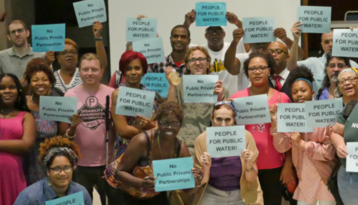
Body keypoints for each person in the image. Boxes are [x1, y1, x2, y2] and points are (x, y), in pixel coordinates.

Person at [230, 52, 291, 205]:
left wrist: (288, 165)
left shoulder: (282, 98)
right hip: (244, 166)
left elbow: (291, 137)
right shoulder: (236, 99)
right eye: (252, 69)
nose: (257, 72)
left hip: (274, 166)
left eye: (262, 68)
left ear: (269, 70)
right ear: (247, 72)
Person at [270, 66, 336, 205]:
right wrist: (275, 122)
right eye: (295, 92)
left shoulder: (322, 115)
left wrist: (302, 144)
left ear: (312, 93)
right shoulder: (290, 118)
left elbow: (329, 152)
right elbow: (282, 147)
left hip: (323, 178)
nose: (299, 94)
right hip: (303, 181)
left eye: (303, 90)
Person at [114, 101, 203, 205]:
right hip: (129, 196)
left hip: (157, 196)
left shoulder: (180, 148)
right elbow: (119, 173)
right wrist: (142, 183)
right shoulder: (142, 141)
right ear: (157, 122)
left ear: (180, 125)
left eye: (174, 123)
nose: (170, 127)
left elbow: (187, 190)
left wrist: (196, 181)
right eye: (165, 123)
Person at [64, 53, 115, 205]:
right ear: (79, 71)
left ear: (101, 71)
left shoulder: (112, 93)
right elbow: (65, 135)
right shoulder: (70, 95)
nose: (90, 73)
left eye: (94, 69)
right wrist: (72, 126)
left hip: (107, 161)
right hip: (80, 163)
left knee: (110, 202)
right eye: (85, 69)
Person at [22, 58, 81, 185]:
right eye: (35, 80)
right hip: (27, 160)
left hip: (52, 160)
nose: (40, 83)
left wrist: (73, 127)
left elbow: (64, 137)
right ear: (29, 83)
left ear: (50, 82)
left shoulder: (58, 103)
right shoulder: (23, 104)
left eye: (44, 79)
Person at [193, 101, 263, 205]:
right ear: (212, 118)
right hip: (212, 193)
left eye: (227, 120)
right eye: (219, 119)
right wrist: (205, 168)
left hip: (242, 193)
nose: (223, 125)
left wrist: (248, 163)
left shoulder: (246, 137)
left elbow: (251, 178)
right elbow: (201, 181)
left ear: (234, 120)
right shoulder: (202, 140)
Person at [166, 46, 228, 155]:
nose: (197, 63)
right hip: (184, 145)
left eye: (201, 59)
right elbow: (170, 113)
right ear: (188, 65)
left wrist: (220, 98)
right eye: (193, 60)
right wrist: (172, 85)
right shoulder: (179, 86)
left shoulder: (219, 88)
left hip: (212, 144)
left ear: (208, 63)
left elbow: (227, 119)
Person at [13, 137, 92, 205]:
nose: (62, 173)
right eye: (57, 169)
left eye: (67, 167)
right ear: (48, 171)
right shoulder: (29, 197)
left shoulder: (81, 192)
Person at [288, 22, 358, 93]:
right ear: (322, 45)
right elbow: (291, 67)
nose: (330, 44)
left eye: (334, 41)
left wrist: (355, 38)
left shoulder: (352, 64)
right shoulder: (314, 63)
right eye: (327, 42)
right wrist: (296, 40)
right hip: (321, 103)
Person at [0, 73, 36, 205]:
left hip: (13, 176)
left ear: (18, 91)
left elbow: (26, 145)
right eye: (2, 88)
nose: (7, 91)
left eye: (11, 87)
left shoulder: (26, 116)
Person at [54, 21, 107, 93]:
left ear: (77, 55)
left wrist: (97, 37)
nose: (69, 55)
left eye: (72, 52)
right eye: (64, 53)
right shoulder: (51, 77)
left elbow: (102, 64)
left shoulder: (85, 73)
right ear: (58, 58)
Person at [330, 67, 358, 205]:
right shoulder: (348, 109)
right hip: (350, 175)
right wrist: (339, 145)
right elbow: (335, 131)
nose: (347, 83)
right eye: (343, 81)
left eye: (351, 79)